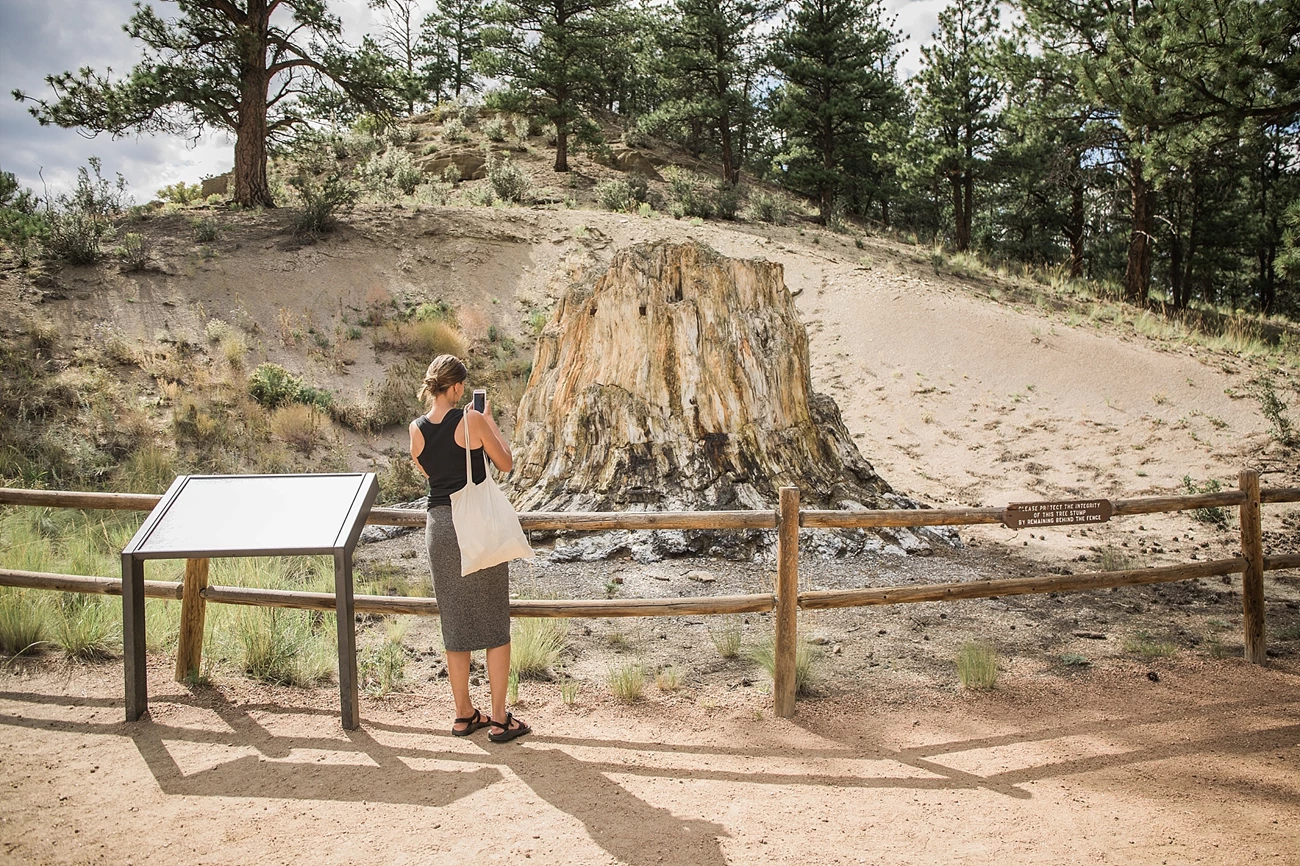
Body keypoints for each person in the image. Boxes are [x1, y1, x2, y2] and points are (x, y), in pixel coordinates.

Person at [409, 354, 531, 743]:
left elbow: (431, 475)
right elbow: (506, 463)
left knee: (455, 625)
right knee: (495, 624)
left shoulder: (415, 429)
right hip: (474, 526)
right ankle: (499, 719)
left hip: (439, 529)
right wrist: (489, 420)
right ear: (459, 387)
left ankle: (464, 715)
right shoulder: (471, 419)